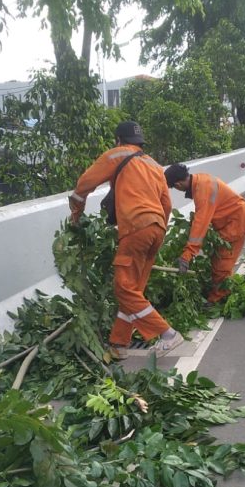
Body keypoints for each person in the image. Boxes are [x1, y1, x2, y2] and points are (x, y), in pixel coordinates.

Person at [68, 121, 184, 357]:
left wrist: (75, 216)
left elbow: (83, 185)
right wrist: (157, 228)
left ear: (118, 140)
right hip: (157, 228)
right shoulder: (153, 165)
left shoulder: (116, 154)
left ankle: (168, 334)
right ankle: (119, 344)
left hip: (136, 226)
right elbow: (167, 204)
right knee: (133, 290)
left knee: (123, 289)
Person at [164, 163, 245, 305]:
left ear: (178, 184)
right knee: (217, 259)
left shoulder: (202, 191)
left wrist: (187, 255)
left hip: (236, 222)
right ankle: (224, 291)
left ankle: (218, 299)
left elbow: (200, 224)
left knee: (222, 264)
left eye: (174, 187)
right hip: (231, 219)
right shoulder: (200, 181)